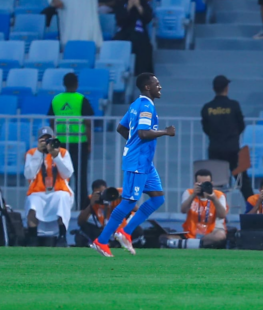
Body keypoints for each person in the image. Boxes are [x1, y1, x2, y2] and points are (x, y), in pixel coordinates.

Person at [93, 73, 176, 257]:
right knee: (129, 201)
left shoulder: (136, 105)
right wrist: (165, 132)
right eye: (157, 84)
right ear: (147, 87)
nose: (160, 87)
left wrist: (133, 145)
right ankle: (102, 240)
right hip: (138, 161)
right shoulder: (145, 106)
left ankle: (125, 232)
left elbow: (121, 128)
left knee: (157, 198)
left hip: (145, 161)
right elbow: (143, 133)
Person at [201, 75, 253, 201]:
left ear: (214, 89)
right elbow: (241, 125)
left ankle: (216, 212)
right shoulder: (234, 105)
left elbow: (206, 128)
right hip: (233, 149)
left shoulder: (207, 108)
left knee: (215, 183)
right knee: (243, 182)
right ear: (226, 88)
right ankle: (254, 208)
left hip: (215, 149)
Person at [47, 72, 94, 209]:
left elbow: (52, 123)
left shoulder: (56, 99)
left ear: (64, 84)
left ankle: (60, 206)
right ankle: (82, 207)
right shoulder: (81, 99)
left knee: (61, 176)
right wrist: (90, 143)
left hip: (61, 144)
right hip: (79, 142)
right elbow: (88, 123)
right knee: (81, 177)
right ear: (76, 84)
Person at [24, 127, 74, 248]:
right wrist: (39, 153)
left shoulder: (62, 152)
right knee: (32, 202)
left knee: (62, 198)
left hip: (59, 190)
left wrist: (56, 156)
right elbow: (29, 174)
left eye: (48, 139)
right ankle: (32, 237)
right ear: (38, 141)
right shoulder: (31, 153)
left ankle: (62, 237)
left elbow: (67, 173)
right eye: (43, 140)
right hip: (38, 191)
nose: (46, 143)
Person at [163, 169, 228, 249]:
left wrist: (214, 199)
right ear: (195, 184)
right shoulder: (189, 193)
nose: (203, 187)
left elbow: (222, 215)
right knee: (165, 237)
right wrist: (194, 194)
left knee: (220, 236)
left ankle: (190, 244)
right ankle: (197, 244)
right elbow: (183, 210)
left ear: (211, 184)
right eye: (200, 184)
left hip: (210, 233)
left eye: (206, 184)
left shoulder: (219, 195)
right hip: (191, 231)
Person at [76, 179, 140, 248]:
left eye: (103, 192)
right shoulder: (91, 199)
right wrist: (91, 205)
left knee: (137, 230)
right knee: (85, 228)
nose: (102, 195)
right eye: (99, 193)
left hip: (121, 227)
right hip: (103, 229)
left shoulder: (116, 193)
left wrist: (121, 198)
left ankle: (117, 243)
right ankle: (109, 243)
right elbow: (80, 222)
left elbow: (136, 209)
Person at [114, 0, 154, 75]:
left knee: (142, 44)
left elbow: (148, 19)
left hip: (139, 31)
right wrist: (128, 7)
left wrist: (139, 6)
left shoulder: (144, 4)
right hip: (125, 31)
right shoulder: (123, 3)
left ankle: (141, 72)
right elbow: (119, 20)